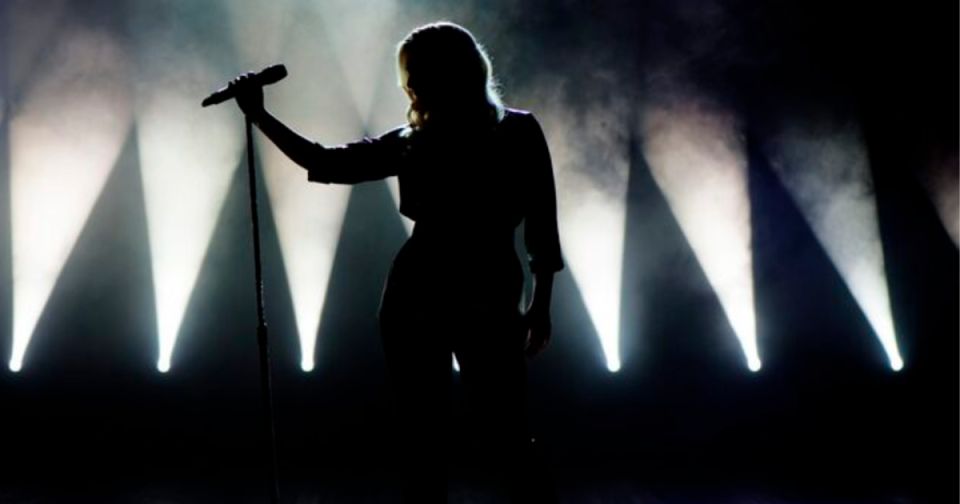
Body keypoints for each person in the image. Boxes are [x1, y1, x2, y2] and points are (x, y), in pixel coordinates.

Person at [230, 21, 563, 503]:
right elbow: (326, 163)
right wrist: (260, 116)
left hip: (448, 287)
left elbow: (542, 224)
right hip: (450, 288)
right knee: (451, 431)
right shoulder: (432, 138)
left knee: (488, 429)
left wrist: (542, 302)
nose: (409, 86)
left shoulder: (457, 137)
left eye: (415, 74)